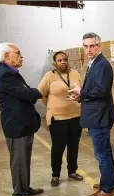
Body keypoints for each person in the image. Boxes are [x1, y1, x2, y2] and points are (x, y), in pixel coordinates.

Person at [0, 43, 44, 196]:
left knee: (24, 160)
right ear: (7, 56)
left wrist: (31, 93)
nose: (21, 56)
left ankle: (25, 188)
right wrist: (40, 91)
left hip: (23, 124)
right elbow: (26, 93)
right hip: (17, 125)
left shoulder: (11, 73)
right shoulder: (5, 75)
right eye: (18, 53)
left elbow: (26, 92)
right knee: (19, 161)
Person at [69, 32, 114, 196]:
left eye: (92, 46)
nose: (88, 49)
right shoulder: (94, 63)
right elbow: (95, 90)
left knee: (102, 154)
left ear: (99, 46)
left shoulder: (102, 65)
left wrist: (82, 92)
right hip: (97, 114)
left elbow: (101, 91)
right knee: (105, 152)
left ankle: (107, 188)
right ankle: (110, 180)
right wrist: (81, 96)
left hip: (99, 116)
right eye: (86, 46)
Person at [38, 51, 83, 187]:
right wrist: (53, 107)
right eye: (59, 60)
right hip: (57, 118)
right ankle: (56, 174)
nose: (63, 62)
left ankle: (72, 171)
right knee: (58, 147)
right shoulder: (49, 76)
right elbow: (41, 94)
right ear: (55, 63)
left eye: (64, 59)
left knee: (73, 145)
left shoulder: (75, 74)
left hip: (75, 116)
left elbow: (82, 90)